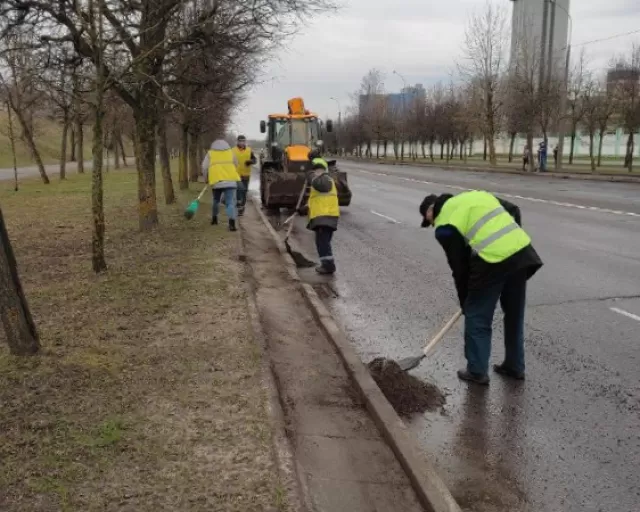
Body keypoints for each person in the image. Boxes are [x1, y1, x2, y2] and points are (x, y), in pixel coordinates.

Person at [419, 191, 543, 385]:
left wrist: (465, 300)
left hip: (492, 260)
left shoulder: (444, 224)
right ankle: (514, 366)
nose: (431, 224)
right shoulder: (476, 195)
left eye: (428, 220)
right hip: (520, 254)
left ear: (430, 210)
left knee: (478, 316)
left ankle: (477, 371)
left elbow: (459, 267)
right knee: (514, 314)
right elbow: (514, 210)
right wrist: (508, 244)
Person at [301, 153, 339, 275]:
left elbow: (321, 185)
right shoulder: (322, 180)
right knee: (322, 242)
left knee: (323, 243)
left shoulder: (325, 179)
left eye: (317, 170)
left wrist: (311, 176)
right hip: (324, 216)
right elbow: (317, 198)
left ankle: (328, 266)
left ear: (322, 170)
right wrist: (305, 207)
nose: (315, 172)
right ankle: (326, 265)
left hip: (325, 216)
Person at [201, 139, 241, 232]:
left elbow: (204, 167)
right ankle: (232, 224)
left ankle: (214, 219)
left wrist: (206, 178)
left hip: (216, 181)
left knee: (216, 200)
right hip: (230, 180)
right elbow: (236, 164)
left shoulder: (210, 153)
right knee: (230, 202)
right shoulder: (230, 152)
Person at [232, 135, 257, 215]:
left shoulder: (249, 150)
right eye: (240, 141)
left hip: (246, 175)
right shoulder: (232, 150)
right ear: (237, 141)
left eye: (243, 141)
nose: (242, 143)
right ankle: (238, 206)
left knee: (244, 191)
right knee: (238, 191)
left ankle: (241, 207)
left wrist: (250, 161)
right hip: (236, 175)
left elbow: (255, 160)